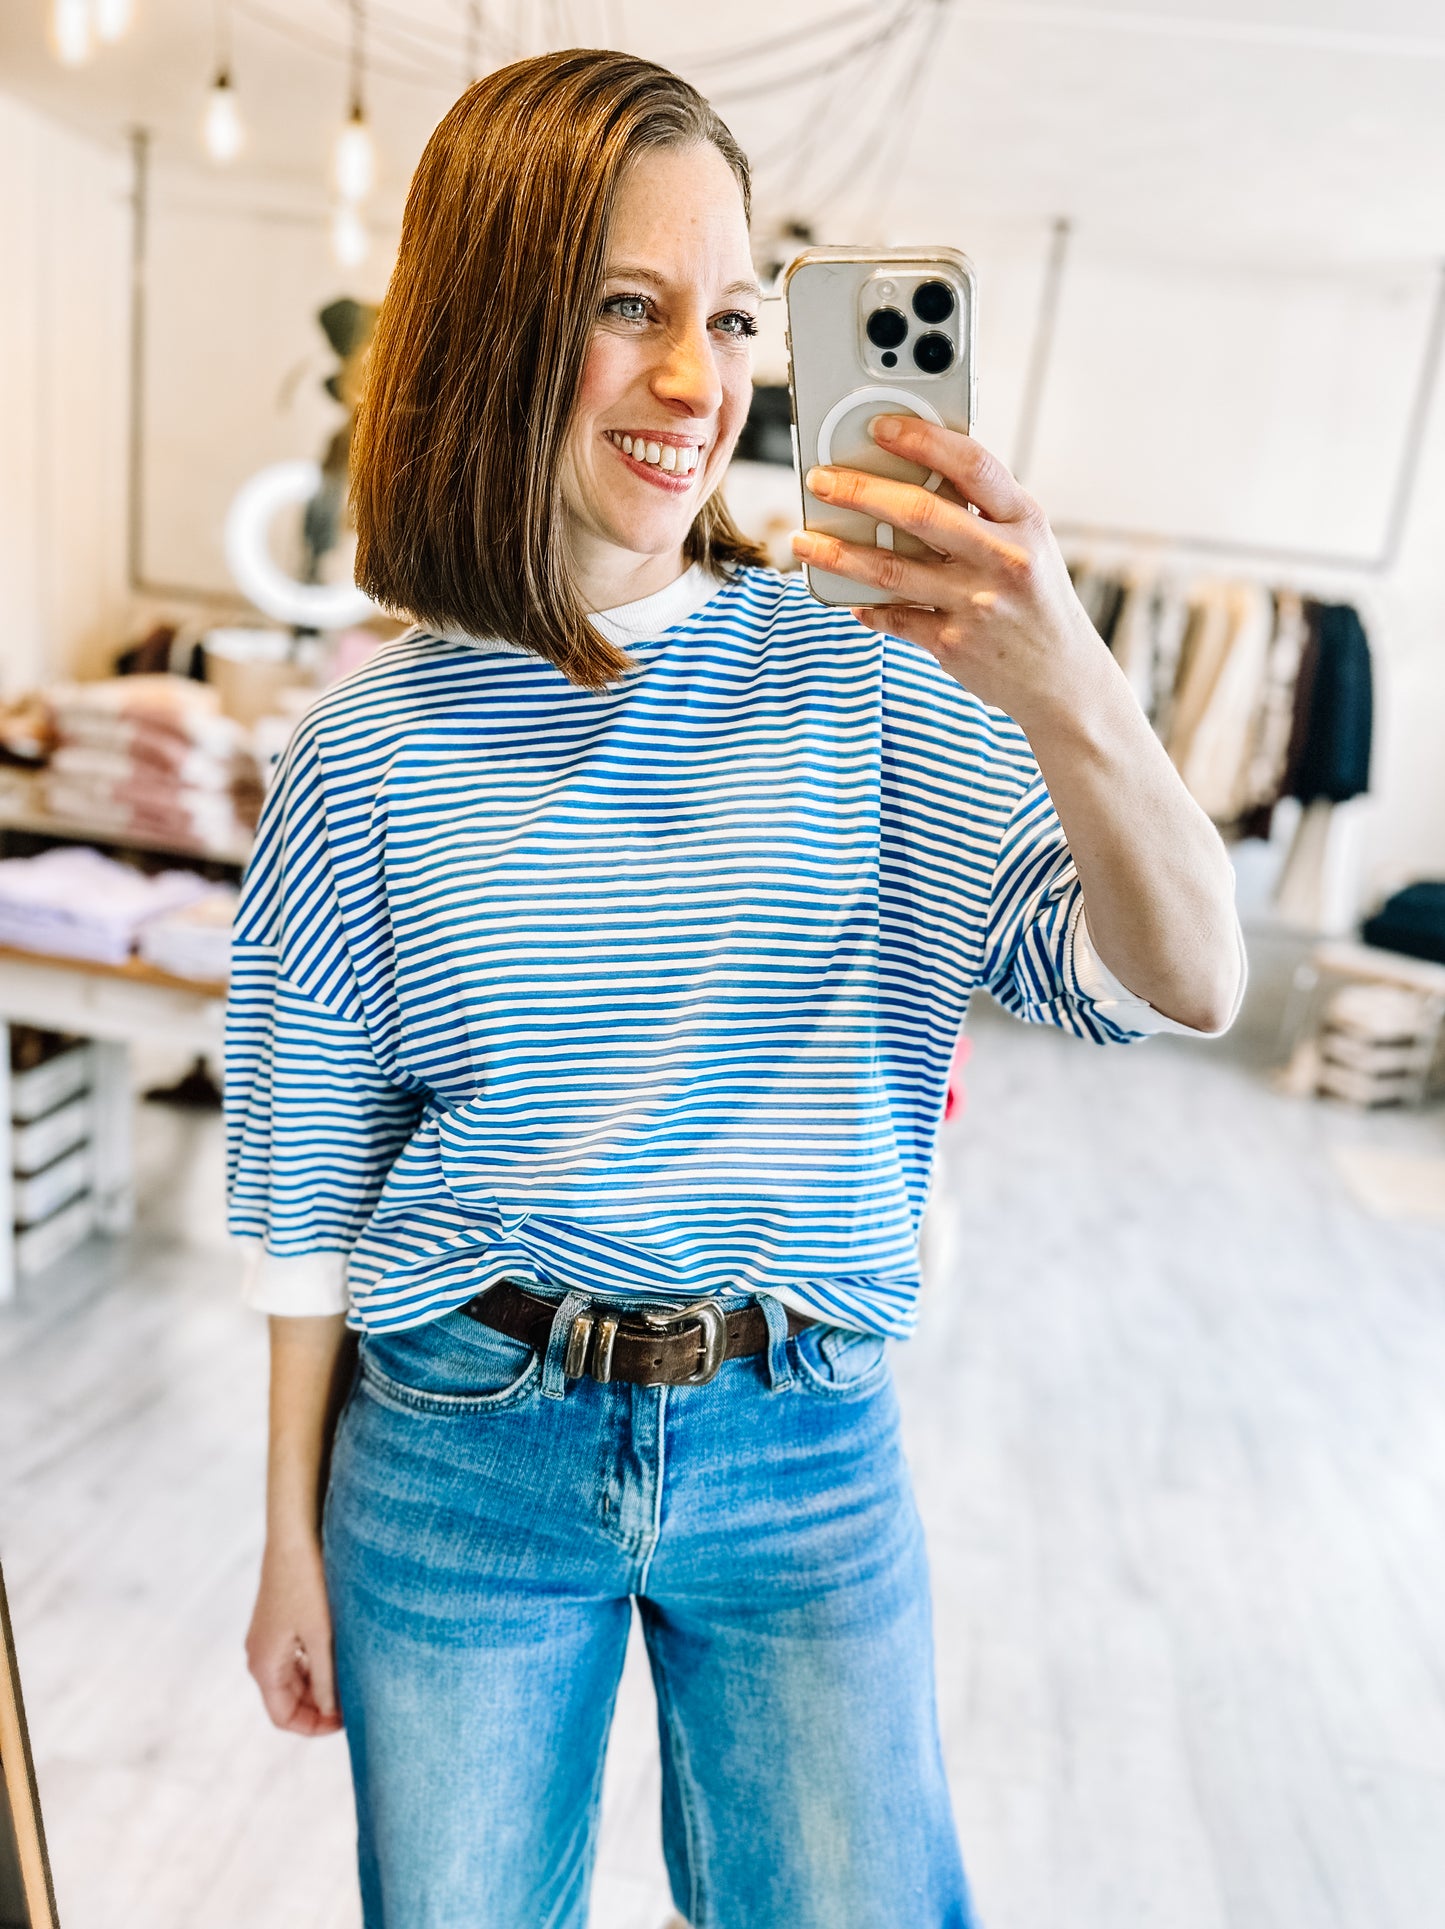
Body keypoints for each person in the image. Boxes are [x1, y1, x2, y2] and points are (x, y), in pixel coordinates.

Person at [226, 48, 1243, 1929]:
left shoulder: (876, 686)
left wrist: (1063, 675)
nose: (697, 383)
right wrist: (282, 1534)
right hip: (460, 1444)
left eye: (728, 315)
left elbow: (1180, 976)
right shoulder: (365, 752)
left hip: (801, 1442)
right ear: (497, 321)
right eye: (627, 309)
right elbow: (306, 1168)